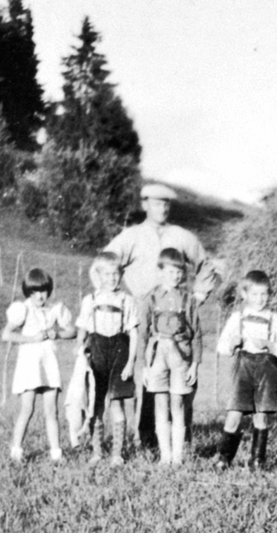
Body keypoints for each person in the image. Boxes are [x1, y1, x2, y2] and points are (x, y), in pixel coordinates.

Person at [103, 183, 220, 448]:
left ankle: (181, 438)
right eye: (156, 203)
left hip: (177, 318)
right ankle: (146, 438)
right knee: (150, 371)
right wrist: (119, 298)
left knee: (182, 373)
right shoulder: (131, 236)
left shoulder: (181, 236)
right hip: (143, 312)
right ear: (145, 204)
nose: (162, 208)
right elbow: (105, 262)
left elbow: (204, 265)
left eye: (166, 204)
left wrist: (197, 297)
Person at [213, 270, 277, 471]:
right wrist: (233, 342)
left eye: (264, 294)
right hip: (243, 371)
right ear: (244, 294)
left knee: (261, 416)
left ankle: (257, 460)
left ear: (269, 294)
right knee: (234, 415)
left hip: (267, 372)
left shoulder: (274, 319)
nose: (259, 299)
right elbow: (222, 347)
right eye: (255, 294)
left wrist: (270, 344)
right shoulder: (237, 318)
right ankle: (224, 458)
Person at [2, 268, 76, 462]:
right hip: (29, 364)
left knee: (52, 410)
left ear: (48, 290)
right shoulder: (23, 309)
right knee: (27, 409)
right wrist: (31, 338)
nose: (39, 296)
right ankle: (16, 451)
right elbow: (7, 334)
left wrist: (57, 334)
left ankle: (56, 454)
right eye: (34, 292)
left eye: (43, 291)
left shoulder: (54, 308)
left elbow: (72, 331)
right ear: (28, 292)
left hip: (49, 363)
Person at [74, 252, 139, 466]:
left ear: (121, 274)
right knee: (96, 404)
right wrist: (79, 348)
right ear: (98, 276)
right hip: (97, 352)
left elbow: (134, 333)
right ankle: (97, 452)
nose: (112, 278)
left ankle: (117, 454)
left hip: (120, 352)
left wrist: (131, 362)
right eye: (107, 274)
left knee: (117, 403)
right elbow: (83, 329)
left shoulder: (127, 300)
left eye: (116, 274)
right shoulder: (90, 300)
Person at [140, 248, 201, 465]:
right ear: (160, 272)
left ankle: (178, 456)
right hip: (157, 357)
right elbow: (143, 334)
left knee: (178, 404)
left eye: (179, 272)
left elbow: (197, 333)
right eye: (170, 272)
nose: (175, 276)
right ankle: (165, 455)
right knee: (160, 404)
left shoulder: (188, 299)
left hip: (181, 357)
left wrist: (194, 364)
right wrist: (144, 367)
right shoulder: (151, 297)